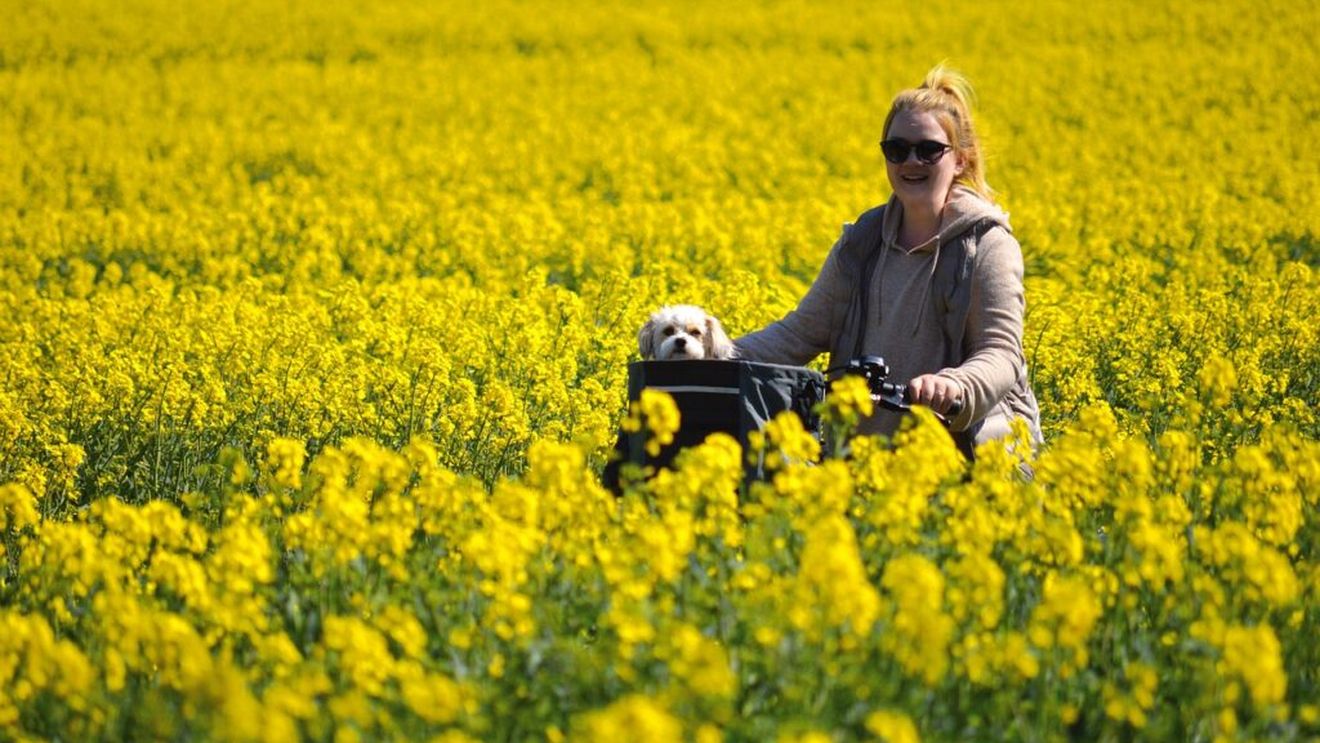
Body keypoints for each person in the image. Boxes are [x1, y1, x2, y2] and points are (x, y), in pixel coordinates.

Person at [734, 64, 1042, 458]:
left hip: (968, 461)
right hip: (865, 464)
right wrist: (709, 353)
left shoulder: (985, 243)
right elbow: (797, 335)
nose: (911, 161)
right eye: (896, 150)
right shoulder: (862, 242)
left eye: (929, 150)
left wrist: (956, 387)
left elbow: (1000, 351)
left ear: (960, 160)